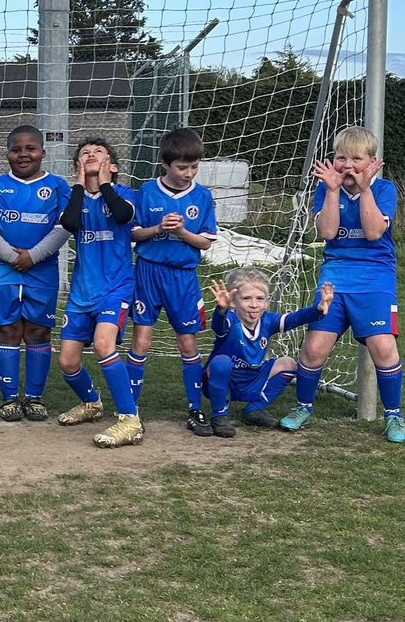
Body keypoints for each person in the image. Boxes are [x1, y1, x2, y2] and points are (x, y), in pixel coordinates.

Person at [281, 126, 405, 443]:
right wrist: (334, 191)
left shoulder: (384, 189)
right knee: (314, 348)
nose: (348, 165)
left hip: (375, 278)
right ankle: (303, 407)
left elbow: (373, 233)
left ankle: (393, 416)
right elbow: (326, 232)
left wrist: (365, 191)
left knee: (383, 347)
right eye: (341, 158)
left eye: (356, 159)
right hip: (335, 276)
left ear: (372, 162)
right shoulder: (326, 190)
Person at [128, 127, 218, 437]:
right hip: (148, 272)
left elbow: (205, 243)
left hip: (183, 277)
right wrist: (156, 229)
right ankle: (130, 411)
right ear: (165, 164)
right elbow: (133, 233)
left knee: (188, 342)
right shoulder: (146, 191)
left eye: (194, 167)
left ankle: (195, 408)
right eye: (182, 167)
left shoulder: (203, 196)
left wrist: (182, 233)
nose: (188, 173)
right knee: (141, 339)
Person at [54, 138, 144, 448]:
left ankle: (130, 420)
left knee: (104, 344)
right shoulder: (73, 196)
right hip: (82, 292)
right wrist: (80, 186)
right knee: (67, 361)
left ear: (114, 166)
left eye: (98, 152)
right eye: (84, 154)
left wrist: (105, 184)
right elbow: (69, 223)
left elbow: (121, 216)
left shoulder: (123, 193)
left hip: (115, 288)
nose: (91, 156)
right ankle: (92, 403)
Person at [0, 125, 71, 422]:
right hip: (1, 268)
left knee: (37, 330)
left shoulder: (58, 186)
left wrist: (34, 255)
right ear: (7, 153)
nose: (23, 154)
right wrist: (10, 256)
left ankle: (33, 398)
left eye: (30, 148)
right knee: (6, 328)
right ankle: (8, 399)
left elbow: (64, 226)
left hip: (42, 270)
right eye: (16, 149)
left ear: (42, 152)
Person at [204, 268, 334, 437]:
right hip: (222, 379)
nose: (253, 304)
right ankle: (219, 416)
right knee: (221, 362)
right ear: (233, 302)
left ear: (267, 302)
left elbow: (295, 318)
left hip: (251, 379)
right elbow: (219, 327)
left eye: (259, 299)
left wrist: (318, 308)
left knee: (289, 363)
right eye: (246, 299)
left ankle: (254, 410)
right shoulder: (231, 319)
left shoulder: (268, 320)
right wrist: (221, 311)